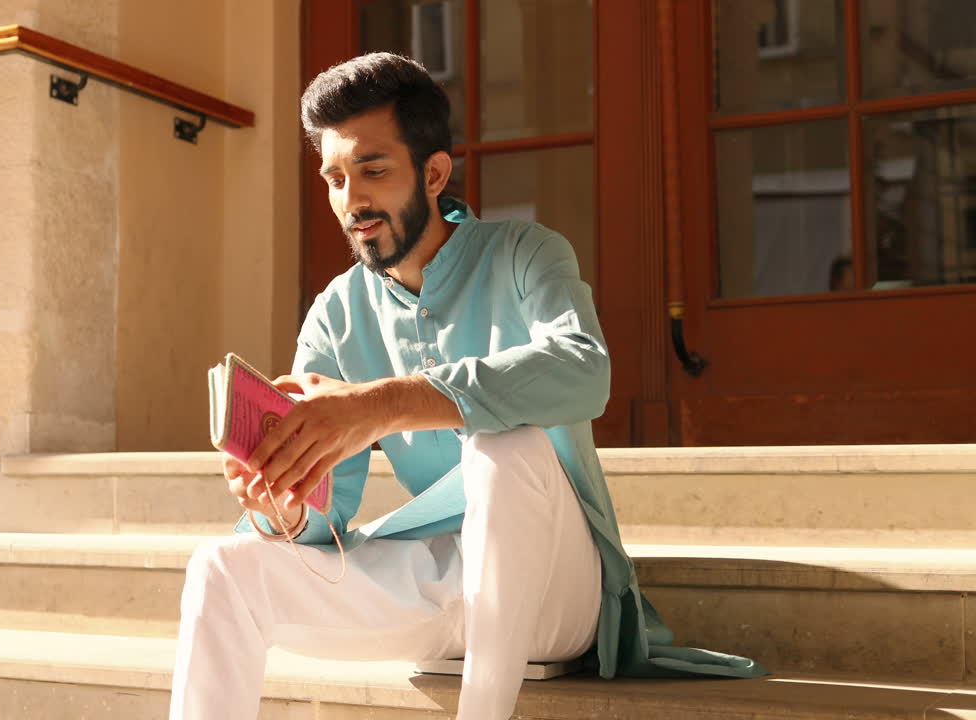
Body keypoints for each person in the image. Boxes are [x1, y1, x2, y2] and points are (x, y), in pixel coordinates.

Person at [169, 53, 764, 720]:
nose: (351, 200)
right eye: (335, 178)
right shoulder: (336, 311)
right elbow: (327, 517)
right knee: (221, 565)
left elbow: (584, 369)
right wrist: (283, 503)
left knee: (501, 447)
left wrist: (383, 404)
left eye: (373, 169)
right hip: (437, 590)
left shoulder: (526, 254)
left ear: (434, 173)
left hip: (558, 594)